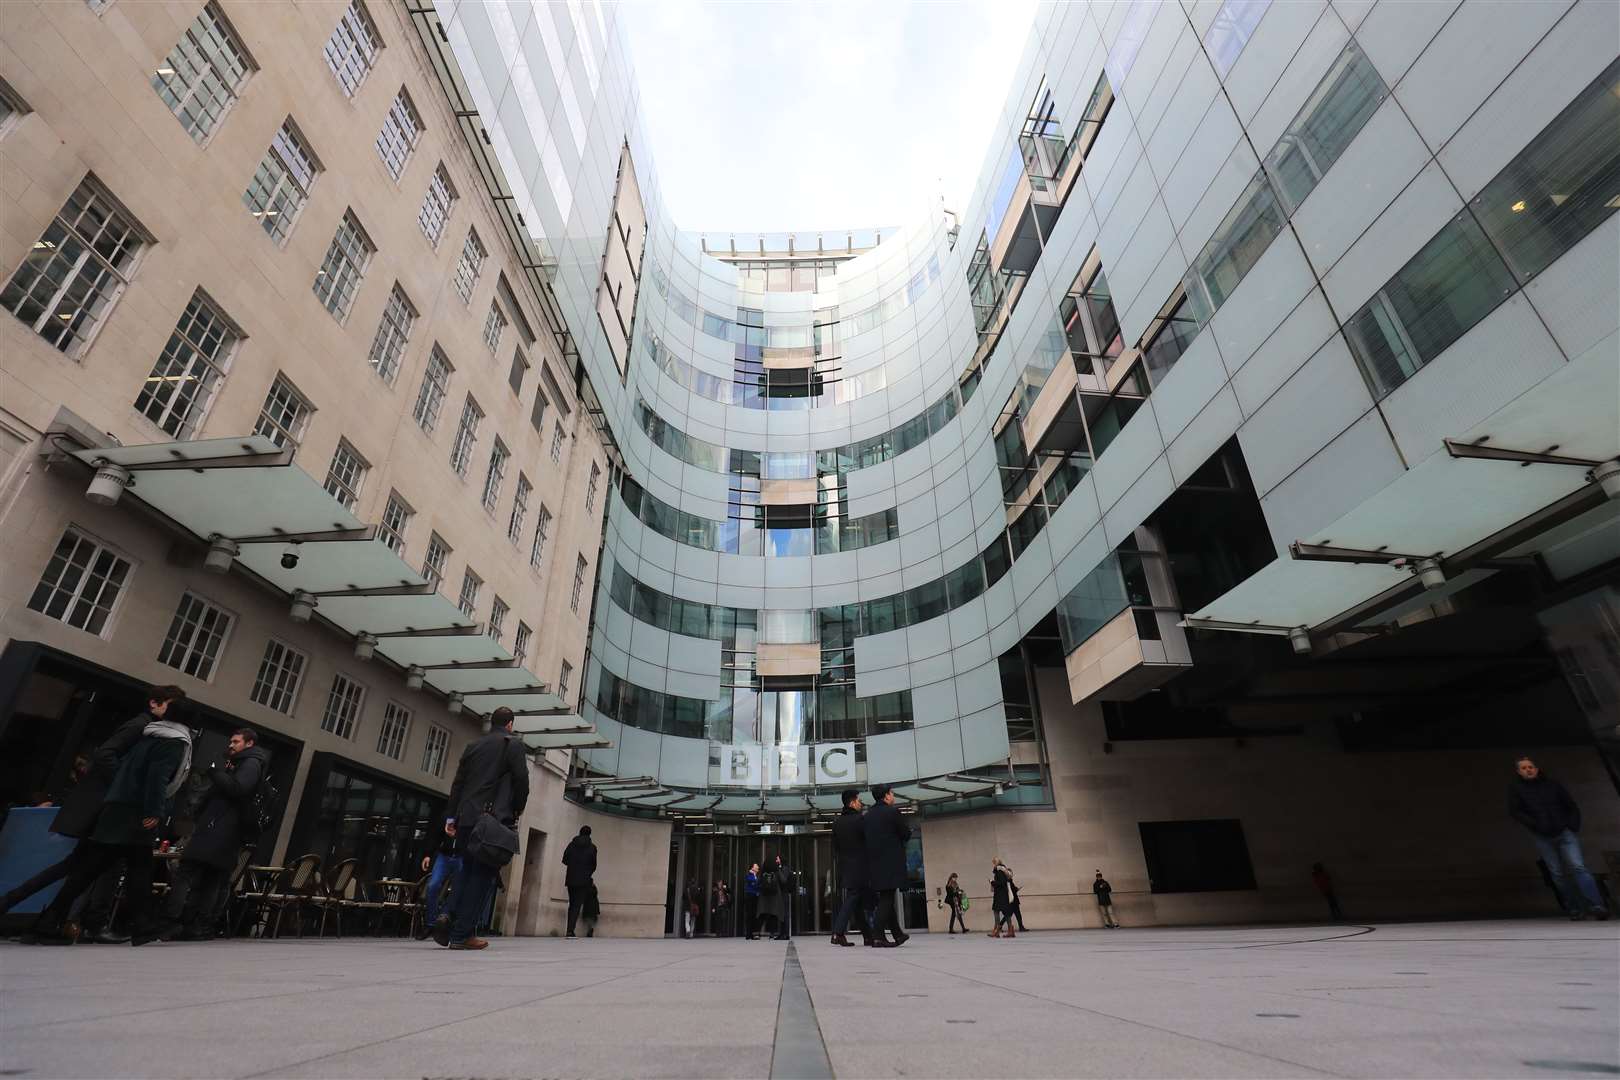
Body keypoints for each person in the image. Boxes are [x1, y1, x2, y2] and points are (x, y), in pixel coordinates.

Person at [0, 687, 185, 940]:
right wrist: (126, 783)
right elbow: (106, 753)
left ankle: (49, 916)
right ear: (155, 704)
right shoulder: (141, 725)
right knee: (82, 867)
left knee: (83, 867)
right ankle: (39, 913)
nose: (171, 712)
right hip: (106, 805)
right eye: (169, 705)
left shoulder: (152, 730)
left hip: (113, 807)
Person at [159, 728, 266, 941]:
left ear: (249, 743)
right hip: (223, 830)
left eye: (236, 742)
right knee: (211, 879)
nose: (231, 745)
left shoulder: (250, 764)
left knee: (188, 874)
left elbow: (238, 789)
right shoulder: (243, 764)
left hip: (219, 829)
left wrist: (216, 773)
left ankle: (171, 922)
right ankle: (197, 926)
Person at [435, 707, 528, 950]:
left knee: (466, 870)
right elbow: (521, 781)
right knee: (483, 875)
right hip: (492, 819)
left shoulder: (473, 746)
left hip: (466, 817)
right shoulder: (512, 745)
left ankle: (448, 911)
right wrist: (517, 808)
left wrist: (451, 817)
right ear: (509, 724)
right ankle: (461, 933)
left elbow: (459, 784)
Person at [1509, 756, 1610, 921]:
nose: (1528, 770)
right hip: (1542, 836)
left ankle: (1597, 905)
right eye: (1524, 768)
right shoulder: (1516, 789)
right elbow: (1516, 811)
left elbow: (1571, 805)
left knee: (1578, 867)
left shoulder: (1552, 785)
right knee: (1556, 874)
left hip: (1564, 833)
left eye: (1531, 767)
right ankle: (1574, 908)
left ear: (1536, 768)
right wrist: (1535, 825)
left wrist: (1572, 825)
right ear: (1519, 772)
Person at [863, 784, 911, 947]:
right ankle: (877, 936)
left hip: (873, 863)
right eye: (892, 793)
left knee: (885, 897)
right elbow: (905, 833)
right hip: (890, 861)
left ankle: (897, 934)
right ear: (886, 796)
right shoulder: (892, 812)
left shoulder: (867, 815)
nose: (893, 796)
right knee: (887, 898)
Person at [830, 788, 869, 947]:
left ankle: (868, 936)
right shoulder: (860, 820)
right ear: (852, 802)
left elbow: (835, 847)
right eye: (859, 800)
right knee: (854, 897)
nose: (861, 803)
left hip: (845, 866)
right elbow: (868, 842)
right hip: (860, 865)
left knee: (857, 901)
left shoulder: (837, 822)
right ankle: (838, 933)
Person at [415, 827, 460, 940]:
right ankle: (430, 924)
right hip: (444, 855)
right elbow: (436, 834)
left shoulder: (474, 814)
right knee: (433, 886)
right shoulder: (450, 813)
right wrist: (428, 854)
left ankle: (444, 921)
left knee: (459, 889)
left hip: (462, 856)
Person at [562, 825, 597, 938]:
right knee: (576, 905)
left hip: (571, 878)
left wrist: (573, 866)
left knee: (572, 904)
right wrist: (587, 872)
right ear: (589, 834)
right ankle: (570, 931)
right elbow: (594, 865)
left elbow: (565, 859)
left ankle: (569, 929)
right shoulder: (592, 847)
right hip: (583, 880)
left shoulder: (572, 845)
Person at [758, 854, 790, 940]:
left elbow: (784, 880)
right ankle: (781, 934)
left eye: (777, 859)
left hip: (783, 894)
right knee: (780, 914)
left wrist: (778, 869)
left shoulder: (784, 868)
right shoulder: (775, 870)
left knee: (784, 914)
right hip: (778, 895)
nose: (776, 860)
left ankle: (785, 934)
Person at [989, 858, 1016, 939]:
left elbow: (1001, 883)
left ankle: (996, 931)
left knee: (996, 910)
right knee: (1006, 913)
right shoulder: (1004, 870)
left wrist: (992, 882)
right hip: (1004, 895)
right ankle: (1011, 931)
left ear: (996, 863)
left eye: (994, 863)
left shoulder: (999, 871)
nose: (993, 865)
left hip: (1000, 896)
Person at [743, 862, 762, 939]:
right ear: (752, 868)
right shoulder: (749, 875)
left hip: (754, 897)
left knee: (753, 915)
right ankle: (748, 934)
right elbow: (754, 884)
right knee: (749, 915)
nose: (758, 867)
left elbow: (756, 885)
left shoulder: (755, 876)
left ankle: (751, 934)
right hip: (750, 896)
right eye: (756, 866)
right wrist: (758, 884)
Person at [1007, 866, 1028, 931]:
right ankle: (1000, 926)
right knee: (1010, 915)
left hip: (1013, 900)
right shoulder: (1009, 881)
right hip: (1013, 900)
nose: (1012, 874)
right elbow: (1012, 890)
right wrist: (1017, 889)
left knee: (1015, 914)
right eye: (1010, 873)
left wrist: (1016, 889)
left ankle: (1021, 927)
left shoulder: (1010, 881)